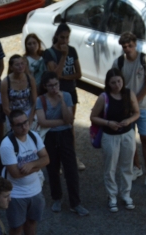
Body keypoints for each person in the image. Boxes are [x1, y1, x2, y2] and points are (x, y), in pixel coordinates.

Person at [0, 110, 51, 235]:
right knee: (16, 227)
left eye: (26, 122)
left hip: (35, 190)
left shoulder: (34, 137)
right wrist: (37, 165)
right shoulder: (7, 145)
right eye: (19, 124)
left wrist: (31, 165)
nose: (24, 127)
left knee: (32, 222)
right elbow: (15, 173)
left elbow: (46, 159)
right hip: (17, 194)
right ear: (12, 126)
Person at [112, 32, 146, 189]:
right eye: (124, 47)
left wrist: (134, 101)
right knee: (130, 140)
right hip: (126, 108)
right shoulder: (118, 63)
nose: (127, 49)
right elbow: (116, 86)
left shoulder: (145, 60)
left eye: (130, 45)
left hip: (142, 107)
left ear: (135, 44)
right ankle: (137, 167)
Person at [90, 68, 140, 213]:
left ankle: (126, 194)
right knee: (110, 167)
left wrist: (129, 120)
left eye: (119, 81)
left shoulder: (129, 93)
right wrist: (108, 123)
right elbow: (93, 117)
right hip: (109, 136)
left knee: (127, 165)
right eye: (113, 82)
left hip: (127, 134)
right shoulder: (104, 97)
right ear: (108, 83)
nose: (117, 85)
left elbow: (137, 112)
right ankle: (112, 196)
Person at [35, 72, 85, 215]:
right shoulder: (41, 100)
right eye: (50, 85)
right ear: (45, 86)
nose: (54, 88)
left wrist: (62, 101)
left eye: (56, 84)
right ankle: (57, 198)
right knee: (53, 168)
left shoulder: (67, 96)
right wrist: (63, 121)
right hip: (50, 136)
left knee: (71, 169)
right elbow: (42, 122)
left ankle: (75, 203)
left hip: (65, 136)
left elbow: (69, 118)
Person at [42, 23, 85, 170]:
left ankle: (72, 156)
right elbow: (55, 75)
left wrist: (65, 78)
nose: (65, 41)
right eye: (62, 37)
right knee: (55, 125)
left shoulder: (72, 50)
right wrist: (64, 56)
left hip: (70, 92)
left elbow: (79, 74)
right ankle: (56, 159)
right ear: (56, 36)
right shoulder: (49, 53)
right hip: (55, 93)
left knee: (69, 124)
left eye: (67, 37)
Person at [0, 55, 37, 127]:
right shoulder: (6, 82)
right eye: (17, 64)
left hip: (29, 112)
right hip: (13, 114)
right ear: (11, 67)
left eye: (22, 63)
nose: (20, 66)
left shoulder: (30, 79)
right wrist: (16, 120)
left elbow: (35, 102)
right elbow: (5, 108)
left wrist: (30, 118)